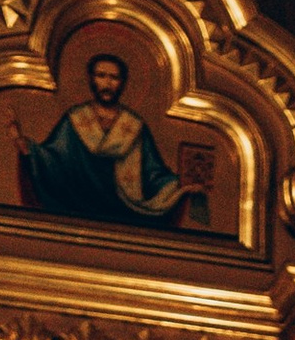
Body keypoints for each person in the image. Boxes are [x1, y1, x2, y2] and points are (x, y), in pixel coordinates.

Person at [18, 48, 187, 225]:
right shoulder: (76, 119)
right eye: (101, 76)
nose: (107, 83)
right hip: (78, 206)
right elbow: (53, 158)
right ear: (91, 79)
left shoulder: (135, 126)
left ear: (122, 83)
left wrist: (179, 185)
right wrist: (27, 147)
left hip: (126, 211)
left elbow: (153, 172)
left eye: (114, 78)